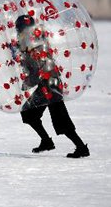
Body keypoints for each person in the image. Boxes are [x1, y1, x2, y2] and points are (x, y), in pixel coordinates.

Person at [15, 14, 89, 158]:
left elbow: (38, 71)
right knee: (28, 113)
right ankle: (46, 141)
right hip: (48, 84)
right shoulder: (31, 42)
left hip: (50, 85)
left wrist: (27, 83)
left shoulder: (34, 44)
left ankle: (81, 148)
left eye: (19, 29)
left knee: (60, 118)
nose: (18, 32)